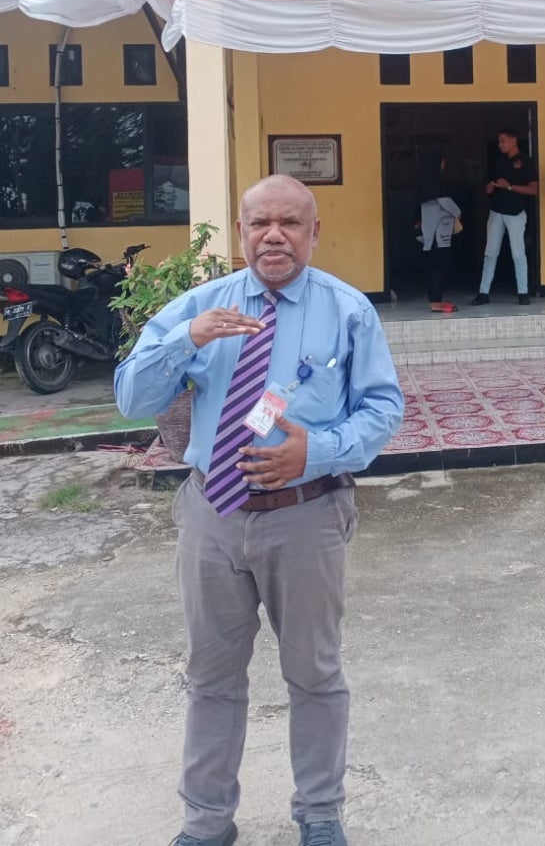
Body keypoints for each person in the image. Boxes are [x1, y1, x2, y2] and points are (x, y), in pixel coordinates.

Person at [114, 175, 403, 846]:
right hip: (212, 516)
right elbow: (131, 396)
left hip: (305, 516)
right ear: (241, 232)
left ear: (314, 231)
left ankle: (321, 813)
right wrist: (185, 336)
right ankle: (207, 821)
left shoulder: (348, 310)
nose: (274, 235)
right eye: (259, 223)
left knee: (315, 672)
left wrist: (319, 449)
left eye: (290, 222)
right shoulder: (202, 306)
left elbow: (383, 408)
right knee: (211, 676)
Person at [470, 128, 538, 306]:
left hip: (516, 213)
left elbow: (534, 189)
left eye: (503, 141)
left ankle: (523, 292)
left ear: (513, 140)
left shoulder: (526, 162)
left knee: (518, 253)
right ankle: (483, 293)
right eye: (499, 141)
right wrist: (490, 188)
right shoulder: (498, 161)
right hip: (496, 211)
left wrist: (510, 187)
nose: (500, 144)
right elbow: (491, 185)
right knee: (490, 253)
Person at [416, 149, 461, 313]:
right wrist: (458, 212)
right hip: (435, 233)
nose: (444, 164)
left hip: (438, 232)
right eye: (442, 161)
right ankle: (435, 302)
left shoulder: (430, 181)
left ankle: (437, 299)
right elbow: (445, 202)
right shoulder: (432, 183)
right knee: (436, 266)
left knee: (438, 266)